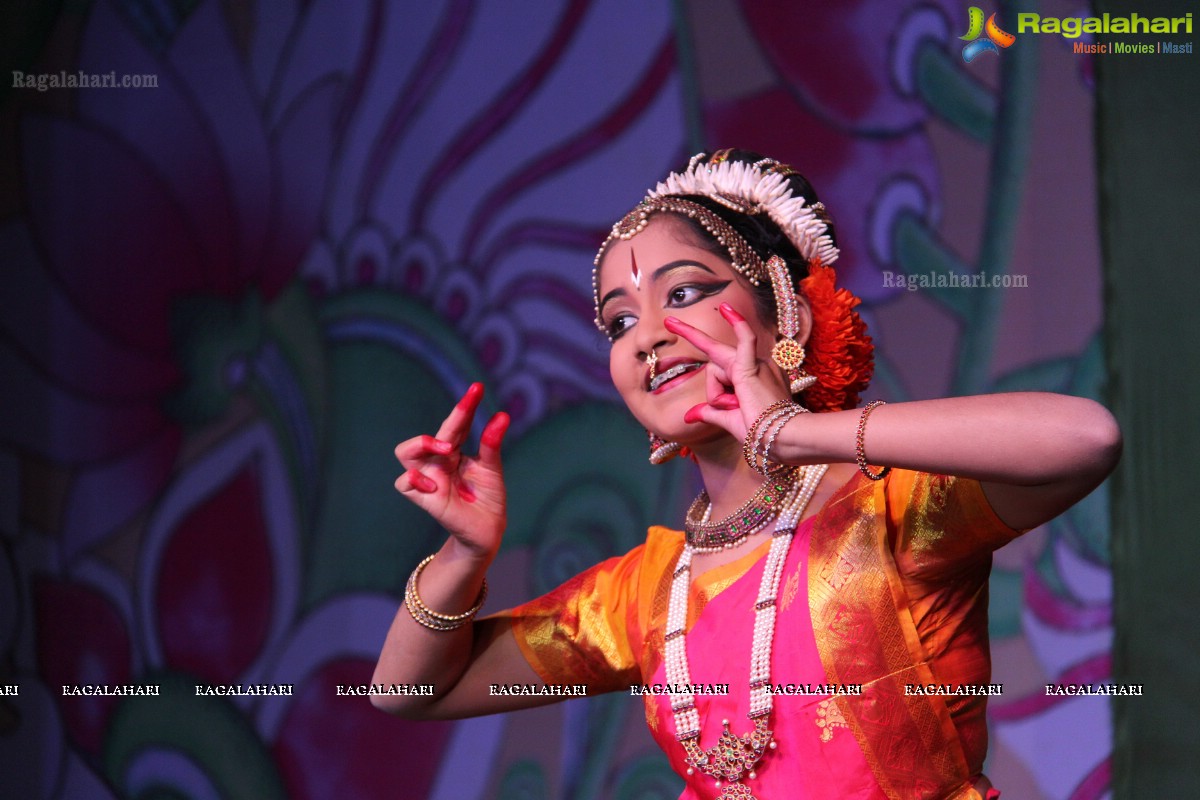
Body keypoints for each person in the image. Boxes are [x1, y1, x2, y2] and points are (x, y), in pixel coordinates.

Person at [371, 149, 1121, 799]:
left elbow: (1086, 437)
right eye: (620, 321)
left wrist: (791, 433)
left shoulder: (890, 511)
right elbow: (404, 693)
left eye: (686, 293)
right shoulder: (642, 597)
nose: (650, 338)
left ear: (782, 313)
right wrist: (466, 556)